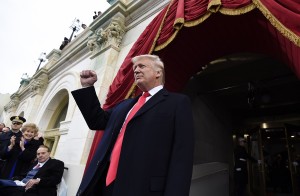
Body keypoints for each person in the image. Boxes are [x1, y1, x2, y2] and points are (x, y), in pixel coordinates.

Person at [72, 54, 195, 196]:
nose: (136, 70)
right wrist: (87, 87)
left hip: (142, 188)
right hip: (104, 185)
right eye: (134, 67)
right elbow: (97, 121)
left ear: (158, 72)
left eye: (141, 66)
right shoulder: (124, 105)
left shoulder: (177, 103)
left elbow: (182, 156)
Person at [0, 145, 65, 196]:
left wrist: (38, 181)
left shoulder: (56, 163)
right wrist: (15, 179)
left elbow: (56, 179)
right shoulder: (35, 163)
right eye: (38, 154)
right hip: (21, 184)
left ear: (49, 153)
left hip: (37, 189)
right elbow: (25, 175)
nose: (40, 155)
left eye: (43, 153)